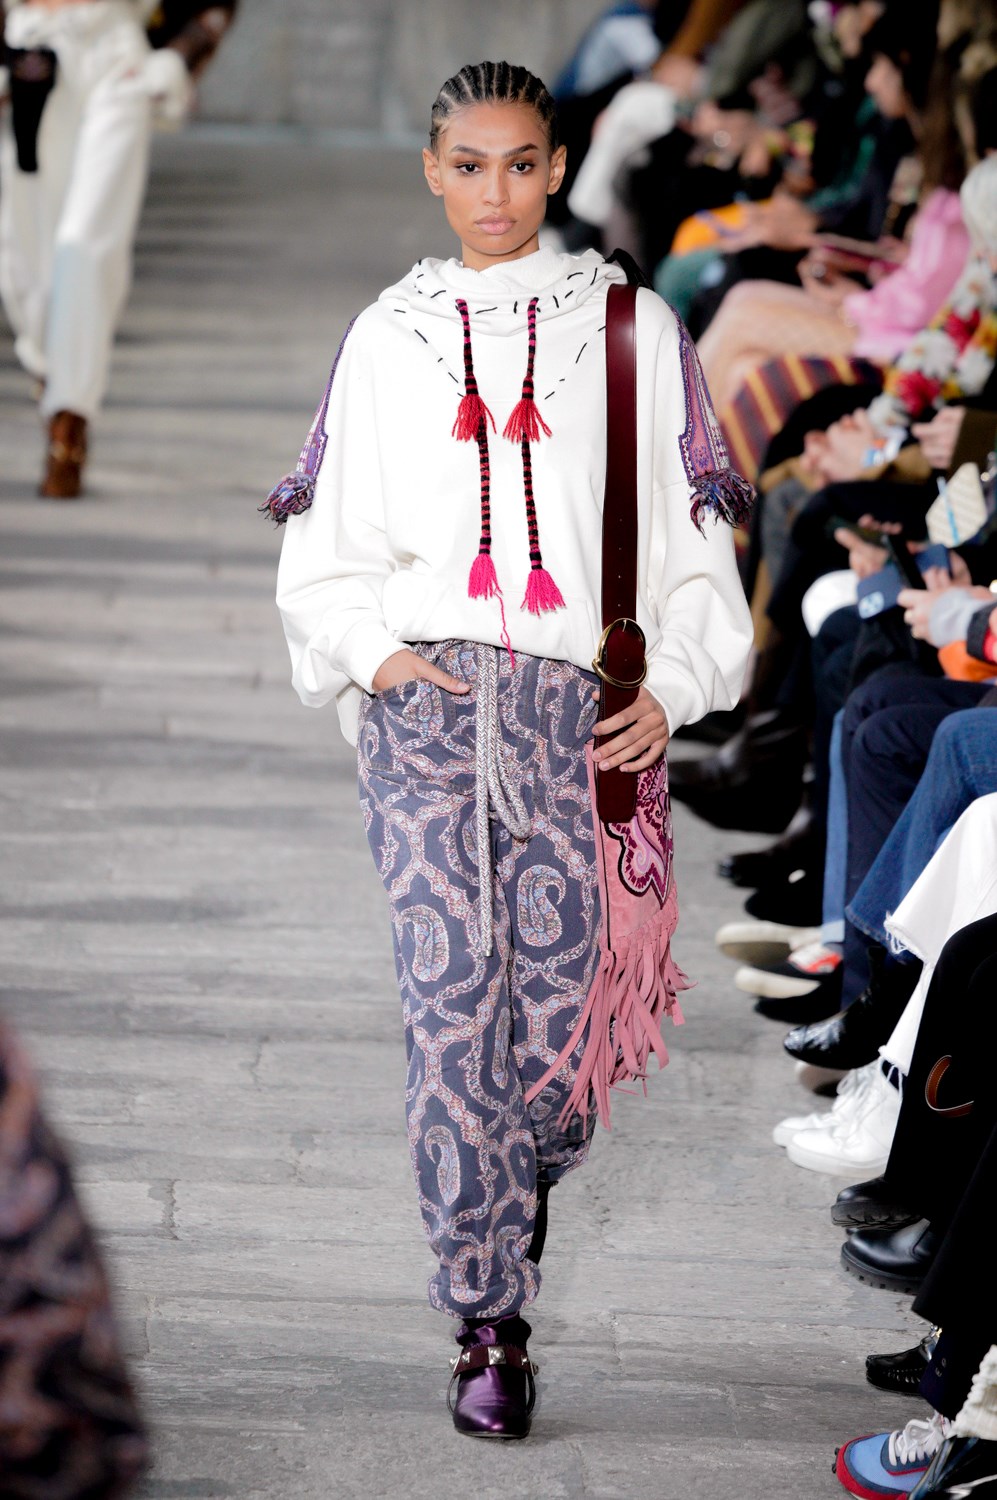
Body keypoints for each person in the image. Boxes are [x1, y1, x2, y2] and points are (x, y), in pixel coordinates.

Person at [266, 60, 753, 1440]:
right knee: (447, 1015)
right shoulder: (389, 336)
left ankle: (509, 1178)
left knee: (550, 1053)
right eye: (468, 165)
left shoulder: (630, 327)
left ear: (556, 169)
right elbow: (327, 549)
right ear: (433, 171)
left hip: (576, 720)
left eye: (522, 164)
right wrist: (378, 660)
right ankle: (489, 1318)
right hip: (427, 717)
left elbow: (694, 544)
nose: (496, 192)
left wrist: (681, 685)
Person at [0, 0, 237, 499]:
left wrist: (177, 55)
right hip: (27, 58)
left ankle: (69, 418)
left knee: (86, 243)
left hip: (116, 58)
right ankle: (53, 371)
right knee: (26, 262)